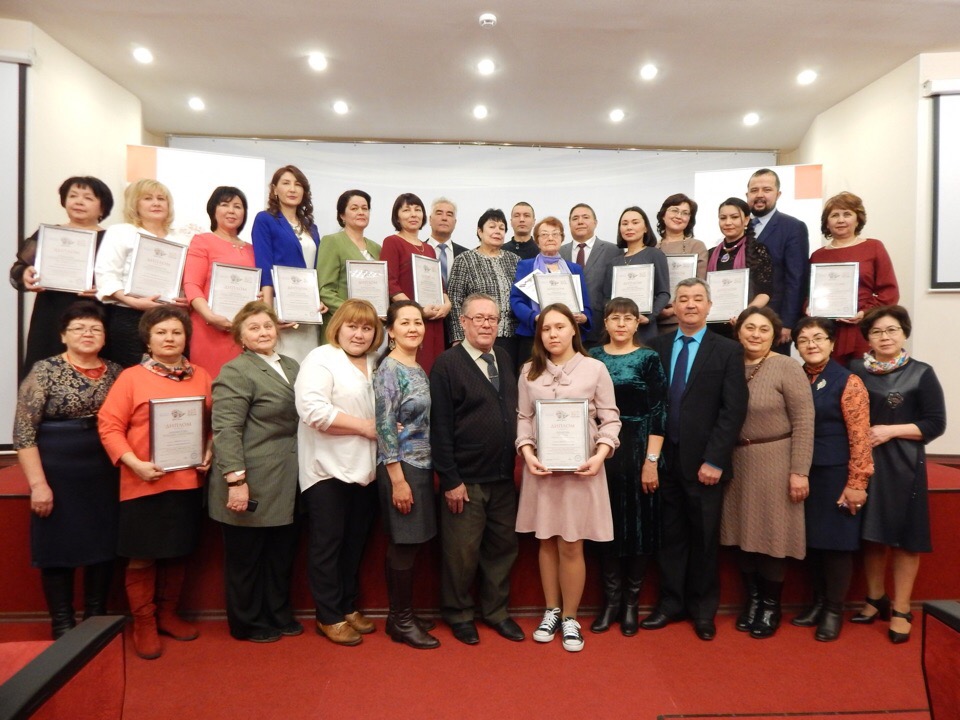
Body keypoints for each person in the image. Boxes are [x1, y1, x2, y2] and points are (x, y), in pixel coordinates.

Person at [97, 306, 213, 659]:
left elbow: (213, 423)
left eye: (176, 332)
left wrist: (209, 450)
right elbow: (109, 426)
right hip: (143, 480)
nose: (169, 338)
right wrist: (134, 464)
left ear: (186, 338)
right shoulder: (131, 377)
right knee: (142, 555)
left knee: (178, 550)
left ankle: (167, 614)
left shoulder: (202, 376)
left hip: (187, 480)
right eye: (161, 332)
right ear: (148, 340)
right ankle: (144, 622)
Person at [640, 278, 748, 641]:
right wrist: (651, 458)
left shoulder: (727, 350)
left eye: (697, 299)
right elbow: (652, 405)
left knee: (703, 540)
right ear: (674, 306)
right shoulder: (656, 347)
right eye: (683, 299)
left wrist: (715, 460)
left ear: (709, 306)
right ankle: (670, 603)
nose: (690, 304)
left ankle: (703, 610)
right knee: (670, 537)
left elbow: (733, 410)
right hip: (665, 461)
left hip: (705, 464)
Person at [516, 303, 621, 653]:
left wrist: (600, 455)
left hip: (582, 470)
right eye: (546, 329)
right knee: (546, 540)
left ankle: (571, 617)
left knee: (572, 543)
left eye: (559, 327)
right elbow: (523, 419)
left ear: (573, 330)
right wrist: (527, 454)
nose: (553, 334)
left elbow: (611, 419)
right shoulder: (529, 371)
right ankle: (552, 611)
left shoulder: (595, 369)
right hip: (542, 471)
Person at [13, 302, 122, 638]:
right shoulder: (44, 371)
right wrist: (38, 485)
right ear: (63, 335)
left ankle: (95, 617)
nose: (88, 334)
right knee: (57, 545)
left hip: (104, 471)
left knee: (103, 543)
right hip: (58, 471)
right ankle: (62, 622)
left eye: (95, 329)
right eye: (79, 328)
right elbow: (24, 433)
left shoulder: (117, 372)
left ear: (105, 337)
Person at [849, 305, 946, 644]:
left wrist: (890, 431)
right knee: (871, 533)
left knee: (906, 538)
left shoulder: (921, 372)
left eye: (891, 330)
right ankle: (875, 598)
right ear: (868, 338)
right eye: (876, 332)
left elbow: (935, 424)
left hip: (904, 464)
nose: (885, 337)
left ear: (904, 333)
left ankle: (902, 608)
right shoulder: (855, 370)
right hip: (864, 463)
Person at [431, 293, 523, 645]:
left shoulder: (503, 357)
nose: (487, 324)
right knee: (462, 553)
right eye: (479, 318)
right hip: (465, 481)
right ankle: (458, 614)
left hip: (502, 477)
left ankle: (496, 612)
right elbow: (440, 427)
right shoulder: (447, 364)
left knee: (502, 549)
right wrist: (450, 479)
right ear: (463, 322)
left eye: (492, 319)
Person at [209, 301, 302, 643]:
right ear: (241, 337)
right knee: (247, 559)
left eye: (267, 326)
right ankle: (246, 623)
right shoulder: (236, 371)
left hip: (286, 477)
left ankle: (277, 613)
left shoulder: (291, 365)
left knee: (280, 555)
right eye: (254, 328)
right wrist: (236, 481)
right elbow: (226, 430)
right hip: (250, 478)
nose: (263, 333)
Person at [720, 306, 814, 639]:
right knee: (743, 535)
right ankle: (753, 601)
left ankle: (771, 606)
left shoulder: (787, 367)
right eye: (750, 328)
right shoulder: (729, 363)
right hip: (737, 462)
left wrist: (799, 471)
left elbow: (804, 421)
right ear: (738, 332)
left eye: (764, 329)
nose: (756, 334)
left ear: (775, 335)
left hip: (776, 460)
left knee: (772, 536)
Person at [295, 299, 383, 646]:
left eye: (367, 328)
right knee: (327, 545)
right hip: (326, 470)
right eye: (352, 326)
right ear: (338, 327)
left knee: (354, 543)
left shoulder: (376, 361)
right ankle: (328, 615)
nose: (359, 334)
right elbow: (312, 411)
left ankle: (347, 606)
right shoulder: (321, 358)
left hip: (366, 470)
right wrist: (364, 427)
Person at [790, 317, 873, 642]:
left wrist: (857, 482)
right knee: (812, 543)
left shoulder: (848, 381)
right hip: (802, 473)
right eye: (804, 340)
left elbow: (860, 436)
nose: (811, 344)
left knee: (836, 545)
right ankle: (818, 603)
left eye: (818, 338)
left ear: (832, 343)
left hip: (836, 474)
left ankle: (834, 610)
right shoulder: (795, 377)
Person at [588, 298, 667, 636]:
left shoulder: (648, 358)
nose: (621, 324)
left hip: (639, 449)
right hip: (601, 451)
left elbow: (659, 411)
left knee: (638, 528)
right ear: (605, 323)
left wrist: (652, 461)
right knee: (607, 527)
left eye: (628, 318)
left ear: (638, 323)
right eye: (615, 318)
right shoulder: (592, 357)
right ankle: (610, 603)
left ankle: (631, 604)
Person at [374, 301, 441, 649]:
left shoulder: (415, 366)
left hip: (421, 463)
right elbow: (384, 425)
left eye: (418, 322)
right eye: (405, 323)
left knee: (411, 543)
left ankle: (399, 616)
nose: (413, 328)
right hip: (401, 467)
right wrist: (397, 480)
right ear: (391, 330)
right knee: (404, 543)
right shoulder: (390, 368)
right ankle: (401, 621)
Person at [10, 176, 114, 374]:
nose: (79, 202)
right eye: (73, 196)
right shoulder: (48, 234)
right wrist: (25, 274)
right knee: (44, 369)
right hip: (50, 313)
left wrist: (106, 290)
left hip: (95, 314)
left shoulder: (112, 240)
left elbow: (123, 282)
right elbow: (17, 269)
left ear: (103, 208)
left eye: (88, 198)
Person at [94, 179, 188, 368]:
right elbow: (107, 274)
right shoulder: (121, 232)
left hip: (171, 318)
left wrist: (186, 298)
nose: (156, 203)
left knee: (170, 374)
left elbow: (189, 279)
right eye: (148, 198)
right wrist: (133, 301)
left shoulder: (182, 238)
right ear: (135, 204)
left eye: (161, 198)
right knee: (132, 373)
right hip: (129, 315)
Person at [809, 192, 899, 366]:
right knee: (831, 377)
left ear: (858, 220)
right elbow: (808, 294)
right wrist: (811, 307)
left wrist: (864, 313)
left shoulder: (873, 247)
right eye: (834, 215)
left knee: (865, 376)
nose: (841, 220)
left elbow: (889, 292)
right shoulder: (818, 256)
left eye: (847, 214)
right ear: (827, 222)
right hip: (827, 330)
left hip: (864, 328)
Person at [251, 165, 326, 363]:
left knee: (309, 364)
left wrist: (319, 298)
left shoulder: (312, 228)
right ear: (275, 189)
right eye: (286, 183)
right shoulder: (265, 219)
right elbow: (265, 267)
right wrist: (269, 316)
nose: (292, 189)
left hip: (309, 310)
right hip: (281, 309)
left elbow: (315, 269)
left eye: (298, 184)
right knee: (284, 363)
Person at [182, 186, 255, 378]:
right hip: (209, 329)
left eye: (237, 206)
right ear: (213, 210)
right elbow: (191, 284)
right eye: (224, 205)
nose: (231, 211)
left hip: (244, 331)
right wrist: (210, 316)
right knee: (210, 383)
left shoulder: (252, 249)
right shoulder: (202, 241)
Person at [380, 193, 451, 374]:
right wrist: (417, 311)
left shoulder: (428, 248)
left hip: (434, 320)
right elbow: (390, 283)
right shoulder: (392, 242)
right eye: (406, 210)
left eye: (417, 210)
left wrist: (447, 304)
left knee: (435, 372)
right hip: (410, 320)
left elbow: (439, 284)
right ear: (397, 217)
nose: (413, 214)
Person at [511, 216, 591, 367]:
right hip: (533, 334)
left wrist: (584, 317)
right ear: (537, 241)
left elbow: (585, 304)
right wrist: (534, 317)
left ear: (562, 238)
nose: (550, 238)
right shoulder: (526, 266)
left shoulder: (574, 269)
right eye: (544, 234)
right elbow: (516, 300)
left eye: (555, 234)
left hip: (566, 338)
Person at [746, 169, 811, 353]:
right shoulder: (738, 227)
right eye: (754, 190)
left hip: (775, 320)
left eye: (766, 189)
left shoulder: (793, 227)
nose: (759, 195)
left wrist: (788, 323)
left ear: (778, 194)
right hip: (742, 321)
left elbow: (796, 278)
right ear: (747, 195)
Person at [446, 209, 520, 368]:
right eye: (492, 226)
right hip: (477, 336)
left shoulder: (515, 260)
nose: (497, 231)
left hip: (513, 338)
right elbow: (455, 300)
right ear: (480, 231)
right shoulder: (465, 260)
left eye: (501, 228)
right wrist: (458, 337)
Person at [706, 197, 774, 338]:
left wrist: (744, 314)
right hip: (712, 326)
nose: (728, 222)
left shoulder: (757, 251)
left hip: (744, 325)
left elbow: (765, 292)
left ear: (746, 220)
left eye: (734, 217)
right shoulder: (711, 253)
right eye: (723, 218)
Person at [602, 206, 671, 343]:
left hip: (645, 329)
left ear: (645, 228)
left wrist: (649, 317)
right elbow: (606, 298)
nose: (629, 227)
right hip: (618, 329)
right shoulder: (614, 262)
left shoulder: (655, 254)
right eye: (624, 223)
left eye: (635, 222)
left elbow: (664, 293)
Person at [316, 189, 381, 328]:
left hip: (371, 325)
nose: (361, 212)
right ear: (342, 215)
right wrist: (355, 313)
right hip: (341, 323)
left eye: (365, 208)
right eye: (354, 208)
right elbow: (325, 291)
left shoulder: (376, 248)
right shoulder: (332, 241)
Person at [560, 203, 622, 347]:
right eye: (575, 218)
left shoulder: (613, 250)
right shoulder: (559, 252)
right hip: (565, 329)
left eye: (585, 217)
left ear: (595, 222)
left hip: (600, 327)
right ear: (569, 224)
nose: (580, 221)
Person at [654, 193, 708, 335]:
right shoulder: (651, 248)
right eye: (674, 210)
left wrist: (674, 309)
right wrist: (656, 310)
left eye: (685, 213)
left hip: (685, 321)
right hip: (654, 322)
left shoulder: (696, 246)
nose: (679, 216)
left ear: (689, 219)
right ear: (663, 214)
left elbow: (700, 284)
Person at [425, 197, 468, 290]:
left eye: (449, 214)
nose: (444, 218)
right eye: (439, 213)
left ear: (455, 222)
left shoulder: (466, 255)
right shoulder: (417, 251)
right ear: (430, 220)